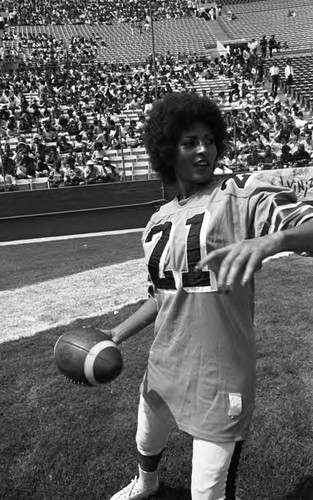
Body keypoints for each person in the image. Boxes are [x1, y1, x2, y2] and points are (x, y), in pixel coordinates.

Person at [102, 92, 313, 500]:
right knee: (147, 436)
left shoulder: (241, 193)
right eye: (189, 142)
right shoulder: (157, 221)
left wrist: (273, 241)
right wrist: (117, 332)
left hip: (220, 371)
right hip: (165, 360)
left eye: (209, 139)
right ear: (167, 152)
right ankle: (147, 483)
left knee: (208, 492)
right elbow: (165, 293)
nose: (204, 150)